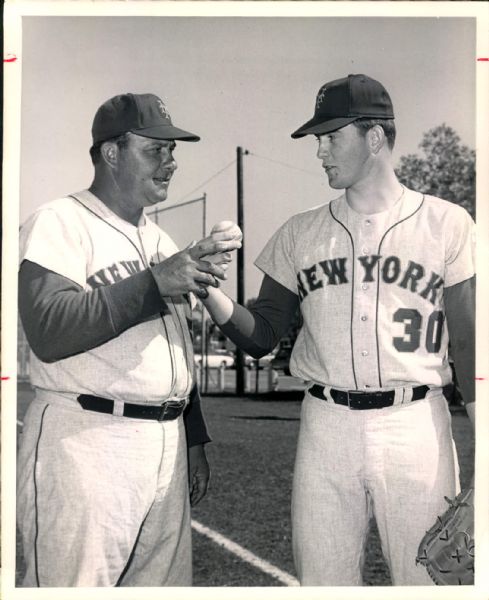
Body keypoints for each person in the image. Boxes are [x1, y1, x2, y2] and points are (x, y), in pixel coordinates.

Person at [202, 74, 475, 585]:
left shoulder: (447, 223)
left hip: (414, 423)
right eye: (318, 139)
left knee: (429, 585)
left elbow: (471, 345)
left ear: (374, 138)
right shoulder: (300, 231)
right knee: (323, 582)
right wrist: (207, 290)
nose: (320, 151)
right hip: (326, 428)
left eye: (332, 137)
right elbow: (262, 335)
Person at [17, 92, 242, 587]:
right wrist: (153, 283)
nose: (171, 162)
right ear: (112, 153)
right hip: (86, 440)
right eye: (155, 150)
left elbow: (176, 348)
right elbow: (48, 329)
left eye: (172, 151)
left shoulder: (159, 240)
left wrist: (195, 437)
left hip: (164, 443)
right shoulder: (59, 221)